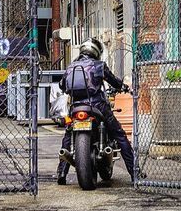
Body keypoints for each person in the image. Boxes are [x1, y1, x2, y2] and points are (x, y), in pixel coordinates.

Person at [56, 38, 136, 185]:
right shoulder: (99, 65)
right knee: (119, 135)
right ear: (96, 52)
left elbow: (62, 85)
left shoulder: (71, 67)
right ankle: (134, 172)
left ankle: (61, 172)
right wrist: (123, 87)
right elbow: (114, 81)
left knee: (68, 136)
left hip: (76, 107)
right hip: (98, 106)